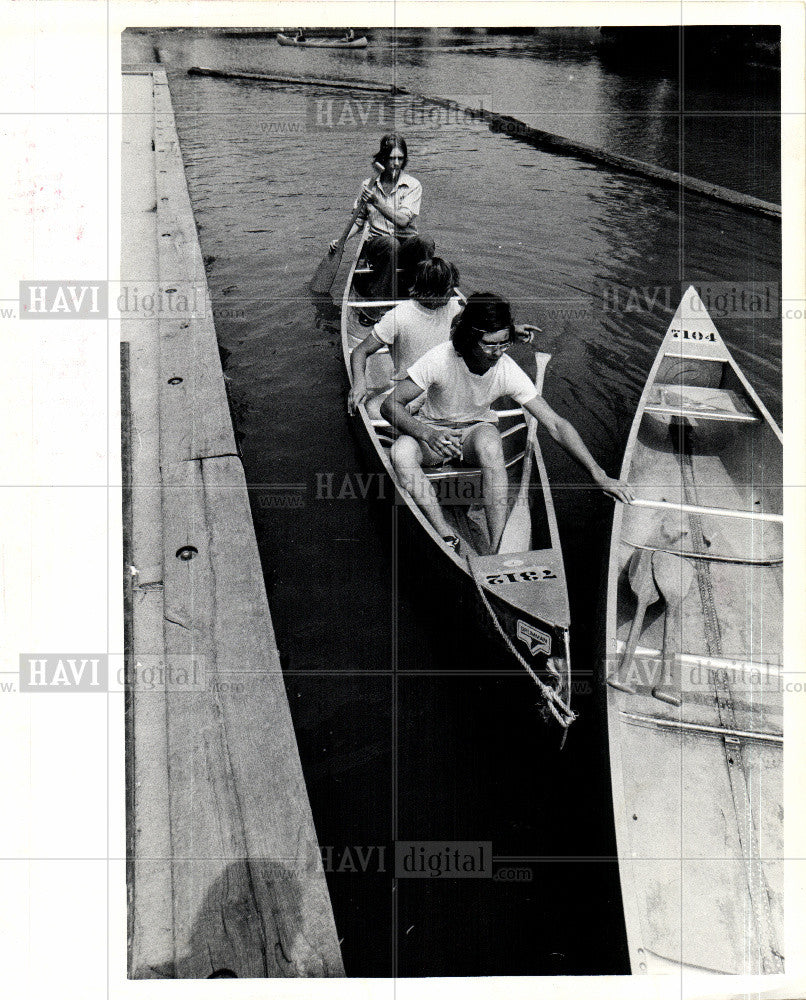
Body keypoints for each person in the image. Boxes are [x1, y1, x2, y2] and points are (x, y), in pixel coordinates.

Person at [380, 293, 634, 554]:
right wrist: (427, 433)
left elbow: (556, 425)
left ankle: (499, 546)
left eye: (505, 344)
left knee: (491, 443)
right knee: (401, 452)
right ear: (469, 337)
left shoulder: (506, 369)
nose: (498, 353)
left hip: (473, 434)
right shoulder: (440, 359)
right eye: (491, 345)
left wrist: (598, 474)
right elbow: (389, 406)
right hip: (433, 431)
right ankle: (445, 533)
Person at [330, 134, 434, 320]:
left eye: (400, 159)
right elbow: (359, 221)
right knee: (390, 244)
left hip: (406, 243)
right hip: (379, 244)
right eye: (391, 158)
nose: (396, 163)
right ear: (382, 159)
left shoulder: (413, 185)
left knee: (425, 242)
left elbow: (403, 221)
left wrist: (377, 202)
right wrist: (341, 240)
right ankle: (378, 305)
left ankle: (423, 294)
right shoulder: (368, 185)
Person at [348, 257, 462, 417]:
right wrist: (360, 383)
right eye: (450, 290)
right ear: (436, 291)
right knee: (373, 410)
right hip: (410, 388)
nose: (452, 294)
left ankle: (418, 424)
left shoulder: (451, 307)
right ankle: (423, 424)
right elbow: (360, 351)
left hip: (441, 383)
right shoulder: (399, 316)